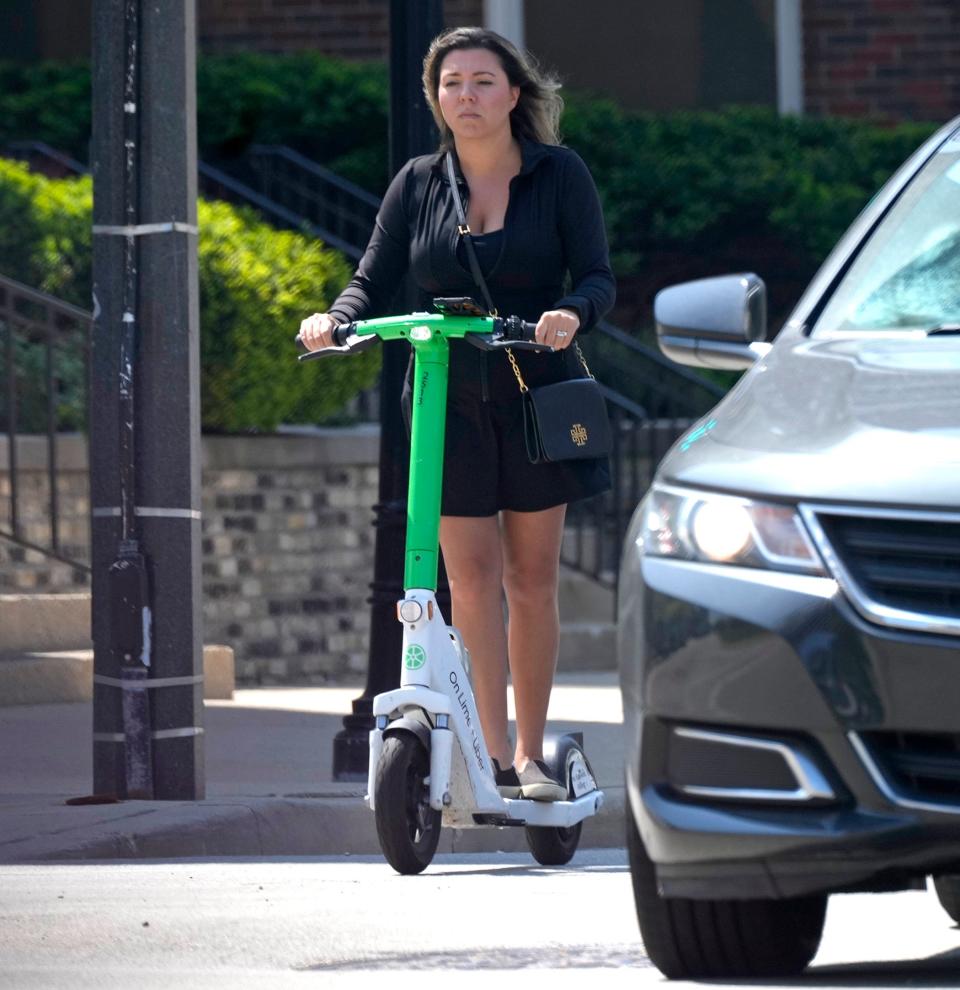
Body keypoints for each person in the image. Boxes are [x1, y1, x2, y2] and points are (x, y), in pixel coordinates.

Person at [299, 26, 615, 801]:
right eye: (451, 85)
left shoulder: (559, 176)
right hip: (446, 401)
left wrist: (571, 313)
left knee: (530, 579)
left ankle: (533, 755)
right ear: (435, 99)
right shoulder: (417, 182)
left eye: (481, 82)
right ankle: (492, 752)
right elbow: (370, 279)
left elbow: (599, 278)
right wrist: (332, 319)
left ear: (513, 94)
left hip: (537, 396)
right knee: (467, 582)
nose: (465, 97)